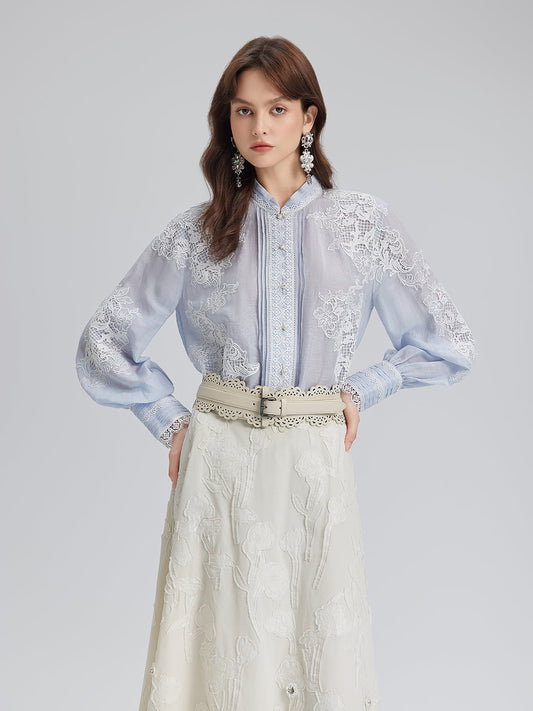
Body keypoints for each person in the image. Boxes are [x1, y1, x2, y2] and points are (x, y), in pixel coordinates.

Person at [75, 35, 476, 711]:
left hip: (315, 459)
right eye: (243, 110)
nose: (259, 126)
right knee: (223, 656)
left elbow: (449, 340)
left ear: (309, 117)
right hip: (219, 464)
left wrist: (362, 388)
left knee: (316, 649)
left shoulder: (363, 225)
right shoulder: (195, 232)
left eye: (278, 108)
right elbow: (103, 342)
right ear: (227, 121)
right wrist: (170, 423)